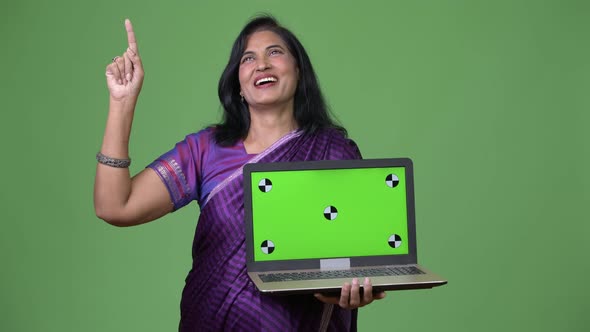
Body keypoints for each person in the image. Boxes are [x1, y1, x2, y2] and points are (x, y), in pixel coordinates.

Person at [94, 15, 386, 331]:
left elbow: (349, 261)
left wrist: (344, 288)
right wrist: (122, 103)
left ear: (299, 72)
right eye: (248, 58)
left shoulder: (333, 153)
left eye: (275, 52)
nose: (262, 64)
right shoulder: (206, 150)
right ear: (239, 85)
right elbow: (115, 206)